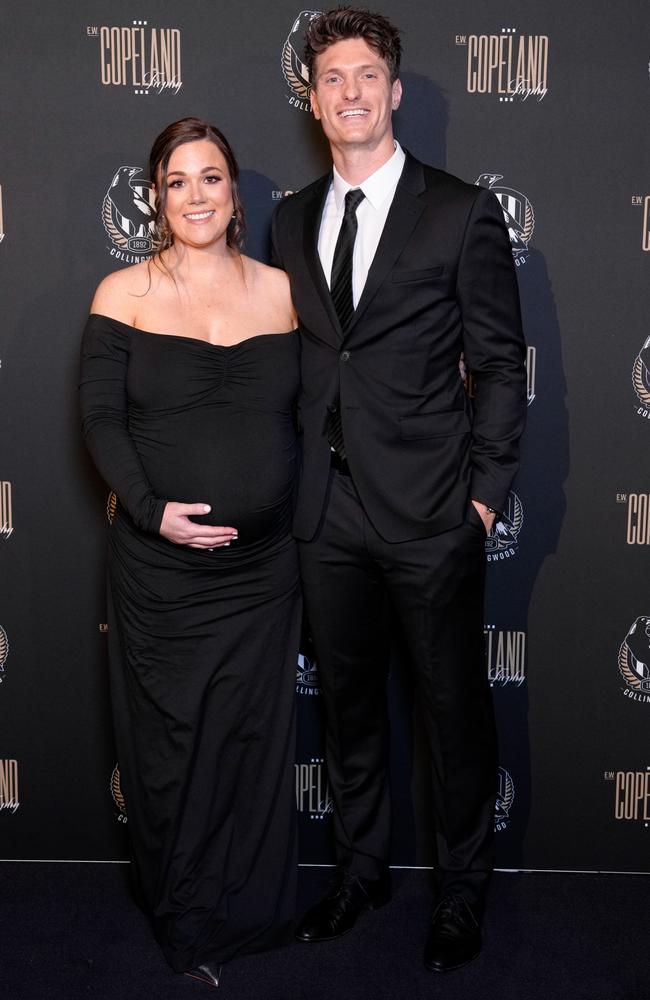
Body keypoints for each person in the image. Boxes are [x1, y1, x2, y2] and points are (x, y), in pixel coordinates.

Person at [271, 8, 527, 973]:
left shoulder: (460, 210)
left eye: (366, 74)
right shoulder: (292, 216)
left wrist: (485, 493)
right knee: (348, 711)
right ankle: (361, 871)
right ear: (313, 97)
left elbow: (501, 364)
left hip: (431, 511)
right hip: (324, 512)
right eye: (332, 77)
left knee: (454, 712)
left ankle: (461, 895)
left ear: (395, 91)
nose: (350, 92)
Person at [80, 117, 300, 988]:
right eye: (178, 181)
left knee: (251, 737)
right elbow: (99, 418)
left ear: (235, 193)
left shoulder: (284, 292)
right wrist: (149, 509)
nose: (197, 195)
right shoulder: (121, 293)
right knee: (175, 744)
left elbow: (326, 406)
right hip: (161, 570)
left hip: (264, 569)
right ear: (157, 196)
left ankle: (250, 915)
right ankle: (187, 913)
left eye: (213, 178)